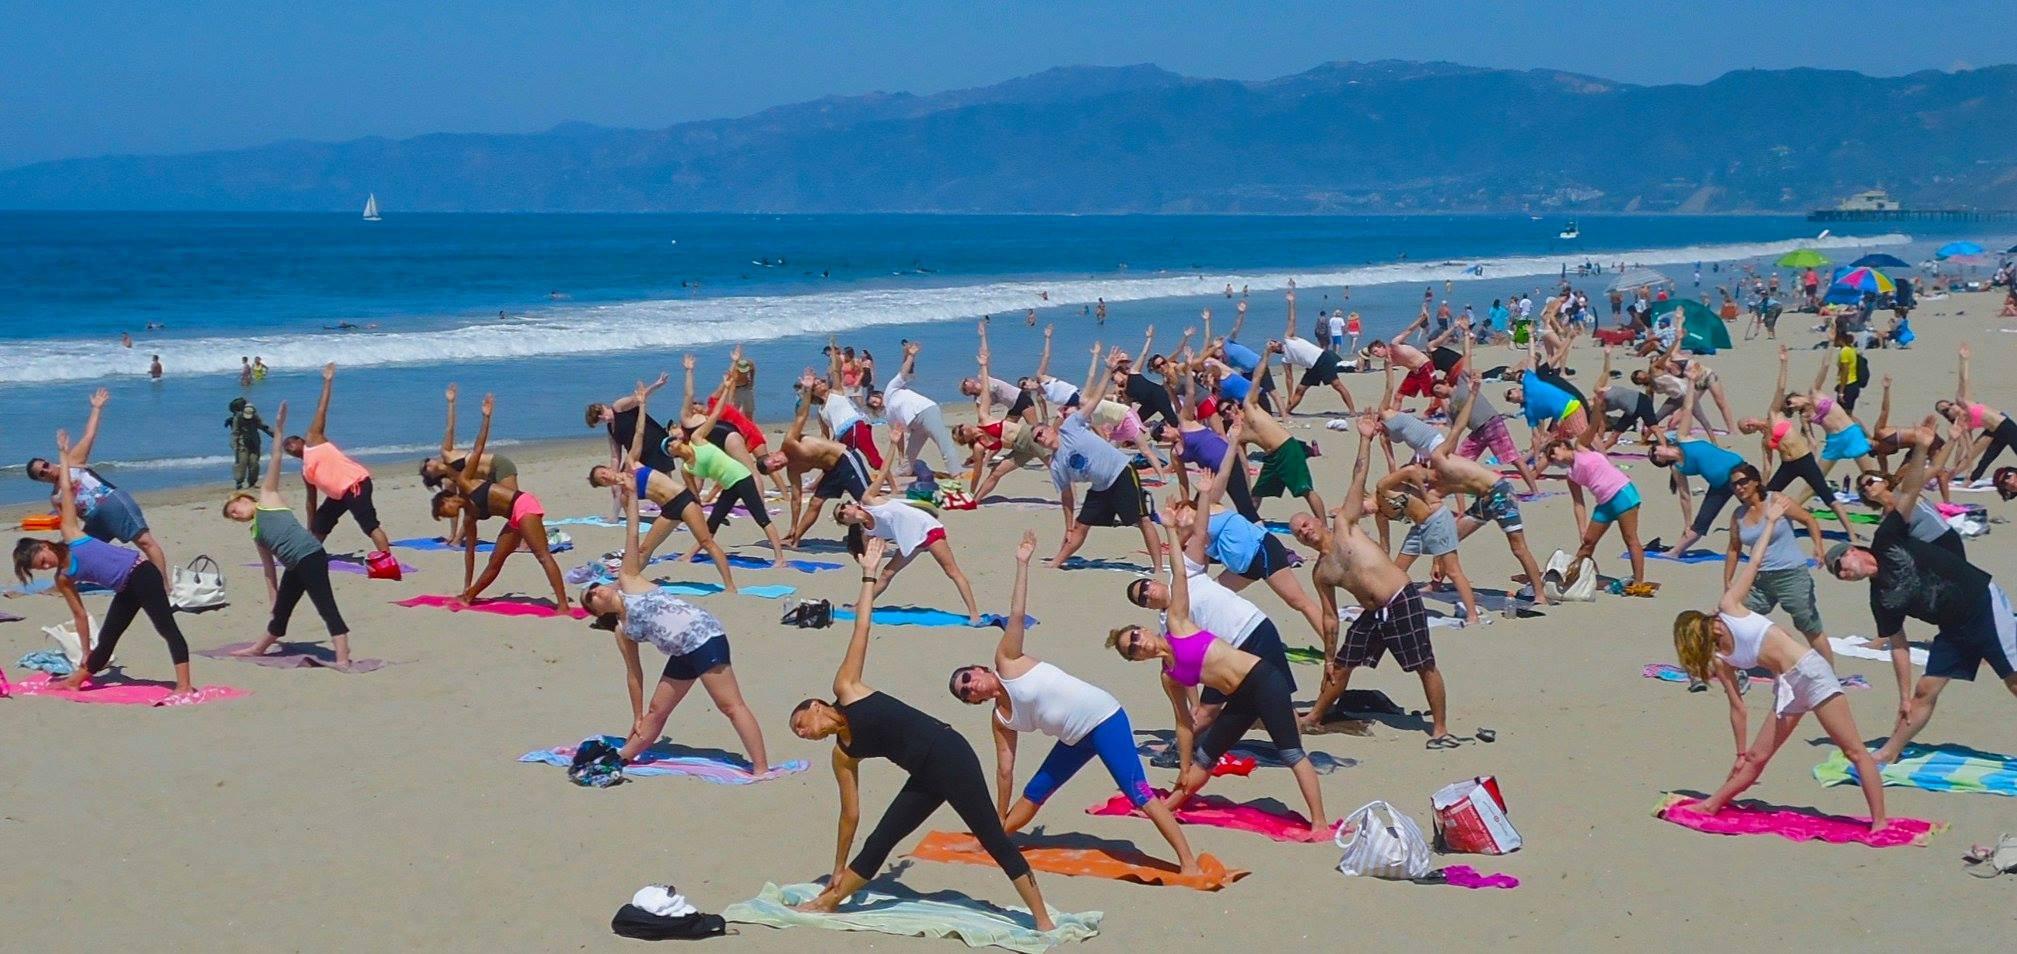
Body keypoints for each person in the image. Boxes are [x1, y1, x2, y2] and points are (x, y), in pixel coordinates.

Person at [787, 537, 1058, 930]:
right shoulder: (843, 753)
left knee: (994, 841)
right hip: (926, 774)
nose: (804, 734)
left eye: (801, 726)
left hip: (949, 752)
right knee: (879, 840)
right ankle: (830, 900)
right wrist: (838, 865)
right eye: (800, 736)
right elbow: (850, 814)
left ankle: (1043, 918)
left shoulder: (847, 687)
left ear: (815, 706)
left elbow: (862, 627)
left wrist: (867, 576)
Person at [950, 531, 1201, 873]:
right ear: (973, 701)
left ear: (979, 669)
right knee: (1034, 792)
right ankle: (991, 840)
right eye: (965, 693)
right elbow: (1004, 771)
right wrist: (999, 815)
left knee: (1139, 793)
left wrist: (1022, 564)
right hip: (1075, 739)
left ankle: (1188, 862)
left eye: (967, 678)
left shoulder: (1007, 660)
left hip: (1103, 719)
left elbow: (1017, 612)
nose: (970, 686)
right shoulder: (1001, 718)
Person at [1105, 513, 1331, 838]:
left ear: (1143, 630)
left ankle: (1320, 823)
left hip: (1262, 679)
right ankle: (1165, 809)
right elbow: (1184, 723)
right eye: (1133, 650)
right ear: (1136, 659)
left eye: (1136, 638)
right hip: (1240, 700)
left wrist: (1171, 528)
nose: (1139, 645)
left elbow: (1180, 573)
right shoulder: (1169, 675)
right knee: (1204, 759)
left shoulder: (1178, 624)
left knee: (1291, 751)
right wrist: (1183, 766)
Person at [1672, 495, 1886, 833]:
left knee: (1854, 752)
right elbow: (1737, 707)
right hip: (1787, 687)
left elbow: (1753, 564)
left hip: (1812, 674)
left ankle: (1880, 821)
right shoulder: (1721, 657)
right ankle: (1712, 803)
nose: (1712, 625)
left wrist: (1771, 521)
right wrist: (1739, 752)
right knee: (1757, 758)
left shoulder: (1729, 606)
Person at [1825, 437, 2017, 765]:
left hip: (1982, 604)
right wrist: (1902, 694)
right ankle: (1891, 749)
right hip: (1954, 629)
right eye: (1840, 576)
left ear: (1854, 552)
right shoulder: (1881, 599)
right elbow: (1898, 645)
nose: (1845, 576)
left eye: (1842, 567)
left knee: (2013, 682)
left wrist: (1919, 449)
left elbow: (1912, 490)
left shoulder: (1888, 538)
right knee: (1924, 691)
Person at [579, 475, 770, 772]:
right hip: (682, 653)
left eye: (594, 587)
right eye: (591, 596)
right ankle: (621, 759)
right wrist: (637, 714)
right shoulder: (622, 631)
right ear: (596, 611)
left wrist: (631, 500)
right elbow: (634, 674)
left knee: (730, 706)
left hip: (704, 636)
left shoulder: (630, 580)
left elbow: (632, 537)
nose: (596, 590)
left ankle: (761, 768)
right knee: (656, 711)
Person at [1293, 417, 1454, 746]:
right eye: (1298, 533)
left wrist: (1365, 439)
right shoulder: (1321, 572)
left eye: (1306, 525)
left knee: (1424, 664)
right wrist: (1326, 655)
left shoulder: (1345, 525)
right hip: (1373, 614)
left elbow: (1359, 477)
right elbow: (1328, 617)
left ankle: (1440, 728)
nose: (1304, 532)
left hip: (1399, 597)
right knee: (1340, 665)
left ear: (1316, 521)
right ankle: (1314, 716)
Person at [15, 431, 194, 697]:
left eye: (42, 561)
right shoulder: (62, 578)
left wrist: (63, 455)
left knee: (165, 627)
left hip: (142, 573)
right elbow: (79, 615)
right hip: (125, 588)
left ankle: (184, 686)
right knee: (107, 640)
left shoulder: (71, 533)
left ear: (44, 546)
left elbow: (66, 489)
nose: (45, 566)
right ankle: (76, 680)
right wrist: (86, 652)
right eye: (39, 568)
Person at [221, 402, 355, 666]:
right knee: (280, 612)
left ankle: (342, 655)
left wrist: (279, 428)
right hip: (295, 565)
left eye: (236, 507)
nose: (237, 513)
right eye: (233, 515)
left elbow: (276, 460)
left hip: (311, 556)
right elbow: (269, 569)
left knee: (325, 605)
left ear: (246, 499)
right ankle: (259, 648)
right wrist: (273, 599)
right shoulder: (256, 533)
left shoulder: (268, 497)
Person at [585, 382, 737, 591]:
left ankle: (730, 586)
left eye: (604, 472)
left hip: (683, 500)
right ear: (605, 484)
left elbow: (639, 433)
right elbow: (634, 524)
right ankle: (622, 584)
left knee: (706, 542)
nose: (607, 475)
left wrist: (642, 406)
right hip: (668, 511)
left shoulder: (631, 463)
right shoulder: (626, 492)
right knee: (643, 549)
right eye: (603, 479)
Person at [430, 394, 571, 610]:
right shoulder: (469, 517)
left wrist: (486, 417)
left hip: (524, 505)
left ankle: (563, 605)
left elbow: (478, 448)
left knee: (542, 556)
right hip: (514, 517)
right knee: (495, 561)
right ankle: (468, 597)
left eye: (443, 510)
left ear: (447, 499)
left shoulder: (466, 481)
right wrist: (466, 586)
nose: (447, 515)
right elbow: (469, 554)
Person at [1038, 342, 1165, 574]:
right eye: (1037, 439)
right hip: (1101, 487)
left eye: (1041, 432)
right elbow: (1067, 497)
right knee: (1080, 525)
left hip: (1121, 472)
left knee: (1142, 520)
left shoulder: (1070, 426)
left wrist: (1107, 370)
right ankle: (1057, 561)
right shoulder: (1056, 465)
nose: (1040, 438)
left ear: (1050, 429)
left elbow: (1093, 399)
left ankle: (1157, 568)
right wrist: (1067, 526)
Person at [25, 389, 169, 585]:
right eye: (41, 474)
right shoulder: (56, 496)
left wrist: (96, 408)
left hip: (111, 503)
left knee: (145, 542)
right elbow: (70, 524)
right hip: (95, 521)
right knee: (72, 549)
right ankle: (66, 586)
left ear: (49, 461)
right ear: (41, 480)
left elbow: (89, 435)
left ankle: (163, 585)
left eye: (45, 466)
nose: (46, 471)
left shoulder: (72, 461)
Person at [663, 360, 788, 565]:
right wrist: (695, 505)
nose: (674, 438)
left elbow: (695, 399)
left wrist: (689, 371)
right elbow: (696, 488)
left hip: (731, 445)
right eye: (670, 443)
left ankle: (779, 557)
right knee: (712, 521)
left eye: (672, 436)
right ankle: (689, 554)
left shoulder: (691, 428)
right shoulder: (688, 461)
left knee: (760, 515)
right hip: (730, 481)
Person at [1736, 347, 1861, 542]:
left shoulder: (1774, 414)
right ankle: (1762, 529)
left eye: (1747, 422)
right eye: (1747, 428)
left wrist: (1784, 362)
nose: (1750, 425)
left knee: (1827, 497)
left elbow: (1780, 389)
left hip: (1804, 459)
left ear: (1752, 417)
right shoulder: (1764, 441)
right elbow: (1767, 466)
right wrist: (1761, 485)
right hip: (1788, 465)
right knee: (1765, 496)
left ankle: (1851, 534)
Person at [282, 364, 394, 557]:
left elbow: (321, 409)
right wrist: (311, 525)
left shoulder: (314, 440)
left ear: (301, 440)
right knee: (322, 521)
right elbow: (311, 500)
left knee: (368, 525)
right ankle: (311, 554)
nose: (288, 446)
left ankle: (387, 559)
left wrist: (327, 381)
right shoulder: (305, 471)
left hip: (355, 484)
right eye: (286, 447)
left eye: (291, 442)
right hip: (340, 495)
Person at [769, 375, 884, 546]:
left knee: (867, 500)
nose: (779, 463)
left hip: (846, 460)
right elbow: (796, 498)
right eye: (777, 467)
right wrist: (793, 527)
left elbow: (801, 415)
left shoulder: (790, 441)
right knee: (815, 502)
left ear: (773, 453)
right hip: (831, 471)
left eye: (775, 460)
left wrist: (807, 389)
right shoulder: (792, 469)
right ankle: (795, 539)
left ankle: (887, 529)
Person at [834, 497, 980, 625]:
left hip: (928, 529)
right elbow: (872, 554)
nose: (844, 512)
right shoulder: (866, 531)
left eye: (843, 507)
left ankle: (974, 614)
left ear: (850, 505)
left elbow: (882, 482)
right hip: (911, 541)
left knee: (952, 571)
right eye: (841, 516)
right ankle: (860, 605)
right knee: (886, 574)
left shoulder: (871, 503)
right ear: (846, 523)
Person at [1546, 417, 1652, 594]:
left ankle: (1639, 581)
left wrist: (1597, 405)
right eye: (1551, 459)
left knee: (1630, 538)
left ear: (1563, 446)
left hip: (1621, 493)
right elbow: (1578, 503)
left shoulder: (1581, 447)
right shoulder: (1571, 476)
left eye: (1553, 452)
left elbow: (1594, 425)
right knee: (1587, 542)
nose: (1554, 458)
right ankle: (1573, 579)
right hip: (1604, 503)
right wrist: (1582, 528)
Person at [1646, 381, 1745, 556]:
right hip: (1719, 486)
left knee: (1759, 505)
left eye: (1654, 450)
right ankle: (1674, 552)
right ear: (1661, 462)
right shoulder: (1677, 468)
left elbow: (1689, 407)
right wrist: (1687, 522)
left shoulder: (1683, 437)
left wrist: (1691, 382)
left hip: (1739, 471)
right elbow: (1685, 497)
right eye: (1655, 457)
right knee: (1701, 522)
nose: (1656, 453)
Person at [1237, 348, 1328, 520]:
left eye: (1230, 408)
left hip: (1287, 448)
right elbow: (1243, 465)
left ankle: (1323, 525)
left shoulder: (1250, 406)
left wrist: (1266, 353)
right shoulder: (1239, 434)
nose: (1228, 413)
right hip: (1272, 458)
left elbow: (1257, 376)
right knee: (1257, 493)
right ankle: (1248, 522)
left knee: (1305, 490)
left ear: (1236, 407)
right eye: (1224, 412)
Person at [1938, 345, 2017, 487]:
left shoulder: (1963, 401)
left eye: (1948, 404)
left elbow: (1964, 380)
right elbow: (1966, 449)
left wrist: (1964, 360)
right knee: (1984, 457)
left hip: (2004, 424)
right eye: (1945, 410)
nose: (1950, 407)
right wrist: (1957, 467)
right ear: (1947, 416)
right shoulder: (1961, 424)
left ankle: (1965, 477)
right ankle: (1961, 478)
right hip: (1994, 431)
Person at [879, 342, 961, 477]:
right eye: (872, 403)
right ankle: (904, 470)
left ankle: (956, 472)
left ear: (880, 394)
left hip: (925, 411)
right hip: (915, 426)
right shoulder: (888, 415)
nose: (874, 401)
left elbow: (903, 373)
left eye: (875, 398)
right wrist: (900, 457)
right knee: (910, 455)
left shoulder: (890, 390)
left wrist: (910, 356)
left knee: (942, 441)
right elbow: (898, 436)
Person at [421, 384, 518, 492]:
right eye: (425, 467)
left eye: (427, 460)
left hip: (497, 465)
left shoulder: (447, 453)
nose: (428, 462)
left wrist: (451, 402)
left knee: (513, 502)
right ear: (431, 477)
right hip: (489, 479)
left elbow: (450, 428)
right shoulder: (450, 481)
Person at [1273, 288, 1356, 413]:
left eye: (1275, 341)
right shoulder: (1285, 360)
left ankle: (1352, 411)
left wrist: (1291, 302)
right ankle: (1286, 412)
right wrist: (1289, 395)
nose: (1276, 343)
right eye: (1272, 344)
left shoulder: (1289, 338)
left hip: (1322, 359)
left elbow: (1292, 320)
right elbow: (1289, 378)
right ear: (1273, 350)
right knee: (1300, 389)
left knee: (1337, 385)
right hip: (1312, 367)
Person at [225, 397, 272, 491]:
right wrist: (234, 445)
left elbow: (263, 426)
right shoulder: (237, 419)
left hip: (254, 442)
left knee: (254, 463)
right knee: (241, 462)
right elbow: (235, 433)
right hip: (241, 444)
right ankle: (239, 482)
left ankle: (252, 482)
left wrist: (274, 434)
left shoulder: (254, 417)